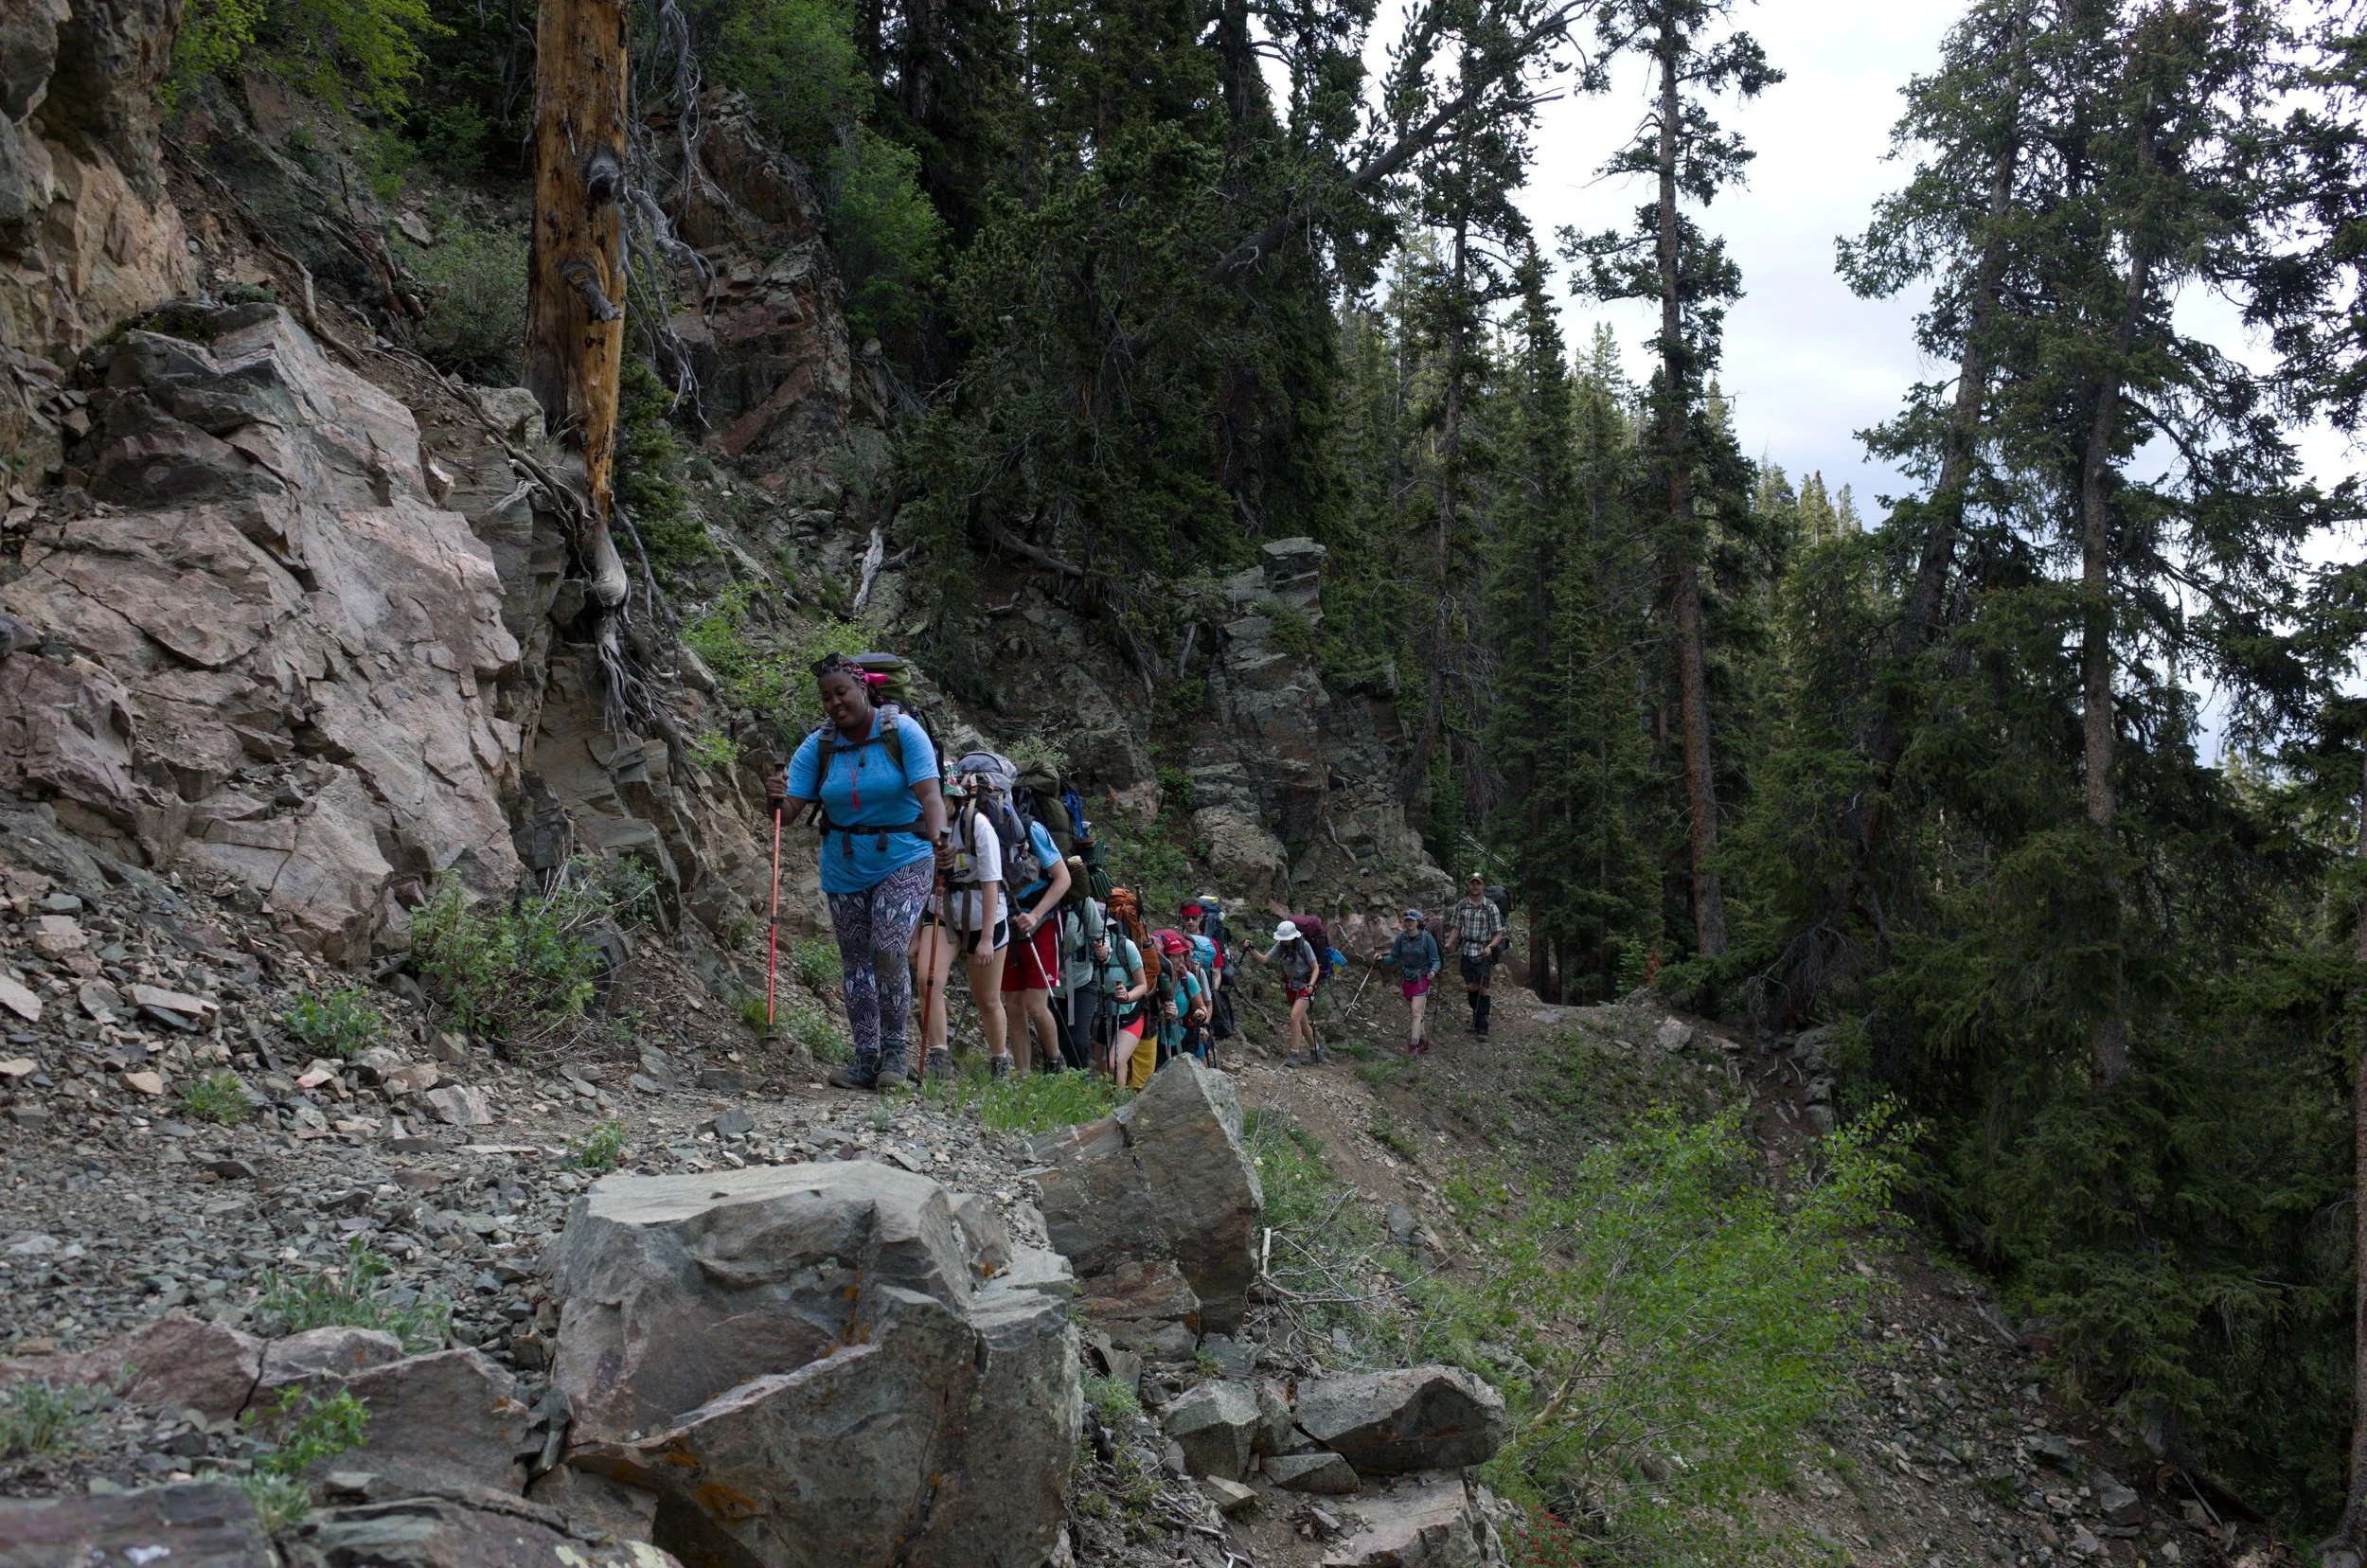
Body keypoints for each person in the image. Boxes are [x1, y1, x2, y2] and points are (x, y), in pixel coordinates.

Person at [771, 653, 949, 1091]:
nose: (834, 703)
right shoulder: (819, 744)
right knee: (855, 961)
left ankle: (895, 1052)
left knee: (888, 948)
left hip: (905, 855)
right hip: (844, 864)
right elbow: (788, 812)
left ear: (863, 689)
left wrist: (941, 838)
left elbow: (930, 796)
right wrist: (773, 796)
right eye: (826, 697)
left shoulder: (902, 732)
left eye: (841, 692)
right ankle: (865, 1057)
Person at [957, 752, 1074, 1072]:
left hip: (1042, 920)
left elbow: (1063, 879)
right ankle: (1022, 1076)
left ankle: (1055, 1062)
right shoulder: (969, 829)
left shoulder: (1030, 829)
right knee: (1012, 1005)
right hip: (1004, 920)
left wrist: (1035, 915)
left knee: (1035, 1004)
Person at [911, 773, 1007, 1081]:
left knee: (987, 998)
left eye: (940, 797)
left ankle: (999, 1063)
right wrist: (915, 935)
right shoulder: (922, 825)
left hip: (984, 916)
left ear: (954, 797)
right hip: (942, 910)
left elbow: (991, 884)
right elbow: (920, 882)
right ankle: (939, 1056)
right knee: (928, 980)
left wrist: (987, 939)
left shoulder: (978, 825)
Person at [1247, 919, 1323, 1066]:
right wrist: (1251, 949)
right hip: (1292, 985)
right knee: (1301, 1020)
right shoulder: (1281, 945)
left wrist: (1311, 985)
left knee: (1294, 1017)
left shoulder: (1304, 946)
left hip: (1306, 985)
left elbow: (1316, 968)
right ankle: (1316, 1052)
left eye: (1286, 938)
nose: (1284, 941)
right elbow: (1264, 959)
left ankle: (1294, 1055)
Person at [1054, 857, 1105, 1071]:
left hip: (1082, 980)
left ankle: (1080, 1081)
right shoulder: (1043, 901)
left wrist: (1104, 950)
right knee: (1054, 1042)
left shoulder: (1084, 903)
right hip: (1051, 984)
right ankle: (1052, 1082)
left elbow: (1100, 934)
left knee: (1077, 1040)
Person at [1453, 873, 1506, 1039]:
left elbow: (1498, 933)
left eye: (1478, 883)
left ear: (1483, 886)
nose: (1475, 886)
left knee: (1483, 987)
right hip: (1466, 951)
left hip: (1483, 952)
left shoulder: (1490, 907)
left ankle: (1482, 1026)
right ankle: (1477, 1018)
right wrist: (1449, 943)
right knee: (1471, 987)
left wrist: (1491, 946)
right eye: (1472, 883)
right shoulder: (1462, 905)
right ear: (1469, 885)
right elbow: (1456, 927)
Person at [1098, 921, 1150, 1089]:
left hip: (1130, 1013)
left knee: (1115, 1063)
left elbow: (1142, 985)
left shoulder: (1126, 947)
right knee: (1102, 1068)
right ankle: (1106, 1102)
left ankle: (1118, 1102)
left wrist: (1127, 996)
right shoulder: (1084, 948)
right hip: (1102, 1015)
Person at [1383, 908, 1442, 1056]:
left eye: (1412, 920)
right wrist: (1381, 959)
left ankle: (1413, 1046)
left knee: (1416, 1011)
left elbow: (1436, 960)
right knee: (1415, 1013)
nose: (1409, 922)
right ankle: (1424, 1041)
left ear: (1418, 922)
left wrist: (1433, 971)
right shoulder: (1401, 938)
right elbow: (1393, 958)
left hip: (1422, 978)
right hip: (1407, 978)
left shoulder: (1427, 938)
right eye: (1407, 920)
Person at [1153, 931, 1207, 1067]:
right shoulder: (1154, 980)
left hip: (1185, 1035)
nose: (1181, 959)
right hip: (1158, 1035)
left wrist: (1201, 1012)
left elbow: (1202, 1007)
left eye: (1182, 955)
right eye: (1176, 956)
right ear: (1165, 958)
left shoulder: (1188, 978)